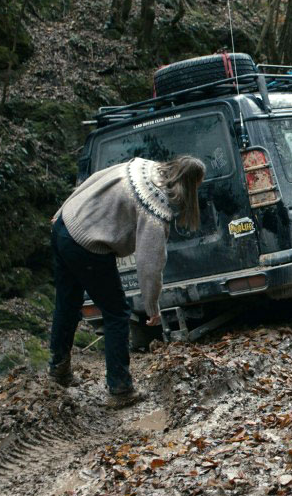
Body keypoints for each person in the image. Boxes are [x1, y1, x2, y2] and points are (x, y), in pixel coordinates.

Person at [47, 155, 205, 402]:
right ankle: (120, 388)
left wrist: (61, 210)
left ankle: (58, 370)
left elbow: (95, 179)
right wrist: (152, 306)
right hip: (87, 245)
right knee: (117, 313)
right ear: (190, 185)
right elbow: (149, 263)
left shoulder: (141, 165)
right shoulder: (156, 206)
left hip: (64, 225)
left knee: (67, 304)